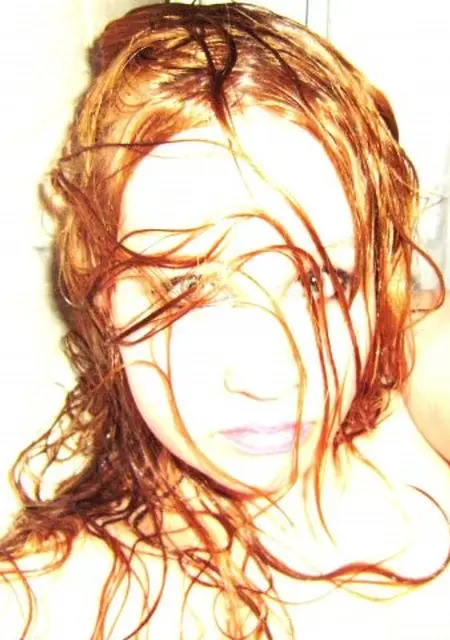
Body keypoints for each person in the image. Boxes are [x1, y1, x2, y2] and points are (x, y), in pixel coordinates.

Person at [1, 3, 450, 639]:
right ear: (101, 295)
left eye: (324, 281)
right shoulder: (50, 601)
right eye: (188, 287)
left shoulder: (420, 408)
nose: (269, 377)